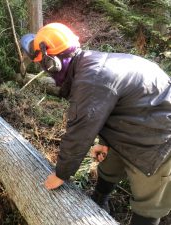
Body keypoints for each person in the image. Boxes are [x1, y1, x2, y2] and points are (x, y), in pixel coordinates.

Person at [21, 23, 171, 225]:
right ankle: (100, 200)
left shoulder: (91, 79)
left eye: (42, 65)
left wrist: (61, 174)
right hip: (139, 119)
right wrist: (105, 140)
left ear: (52, 64)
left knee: (148, 203)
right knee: (108, 164)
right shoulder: (89, 66)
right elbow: (110, 108)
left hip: (158, 138)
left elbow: (79, 133)